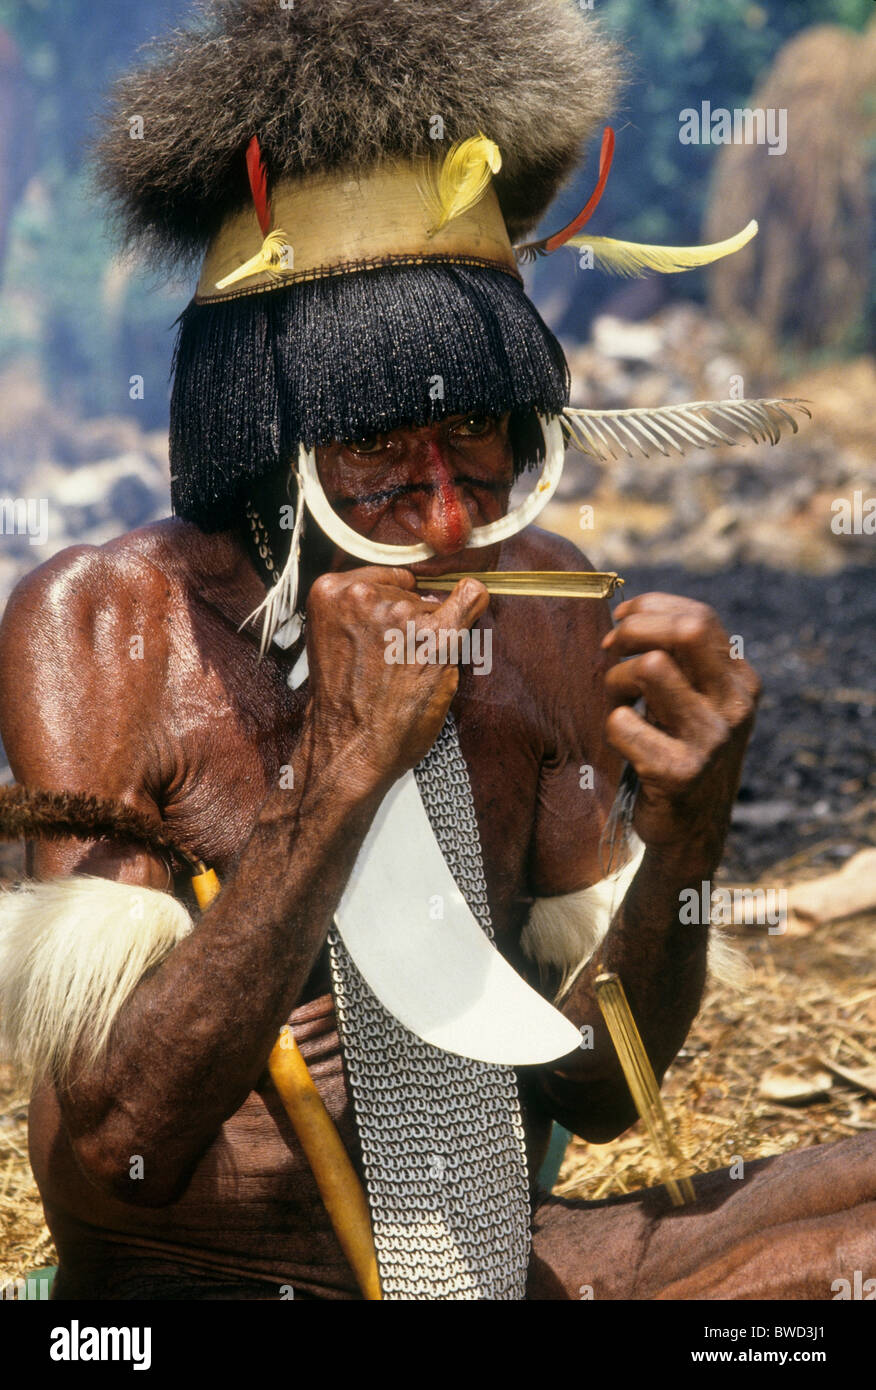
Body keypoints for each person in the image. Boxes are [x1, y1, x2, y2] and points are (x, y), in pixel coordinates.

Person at [0, 0, 872, 1300]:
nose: (453, 511)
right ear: (267, 436)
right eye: (382, 451)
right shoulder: (111, 624)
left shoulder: (549, 605)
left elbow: (607, 1088)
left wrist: (687, 829)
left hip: (489, 1252)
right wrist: (342, 775)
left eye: (481, 440)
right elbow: (122, 1152)